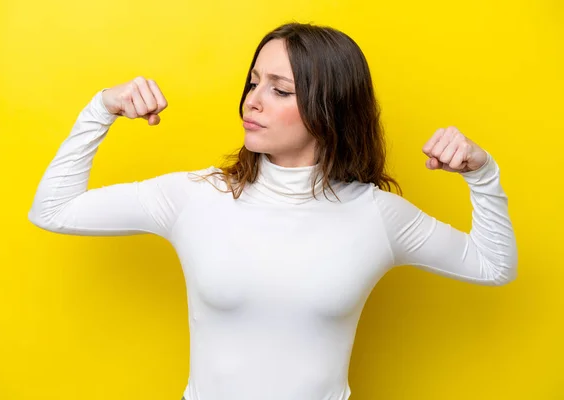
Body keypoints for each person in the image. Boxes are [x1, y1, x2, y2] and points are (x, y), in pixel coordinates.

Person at [28, 22, 518, 400]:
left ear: (331, 110)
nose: (252, 101)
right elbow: (53, 209)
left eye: (280, 90)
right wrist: (100, 110)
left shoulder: (379, 217)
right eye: (254, 81)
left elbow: (494, 266)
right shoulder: (195, 197)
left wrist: (483, 174)